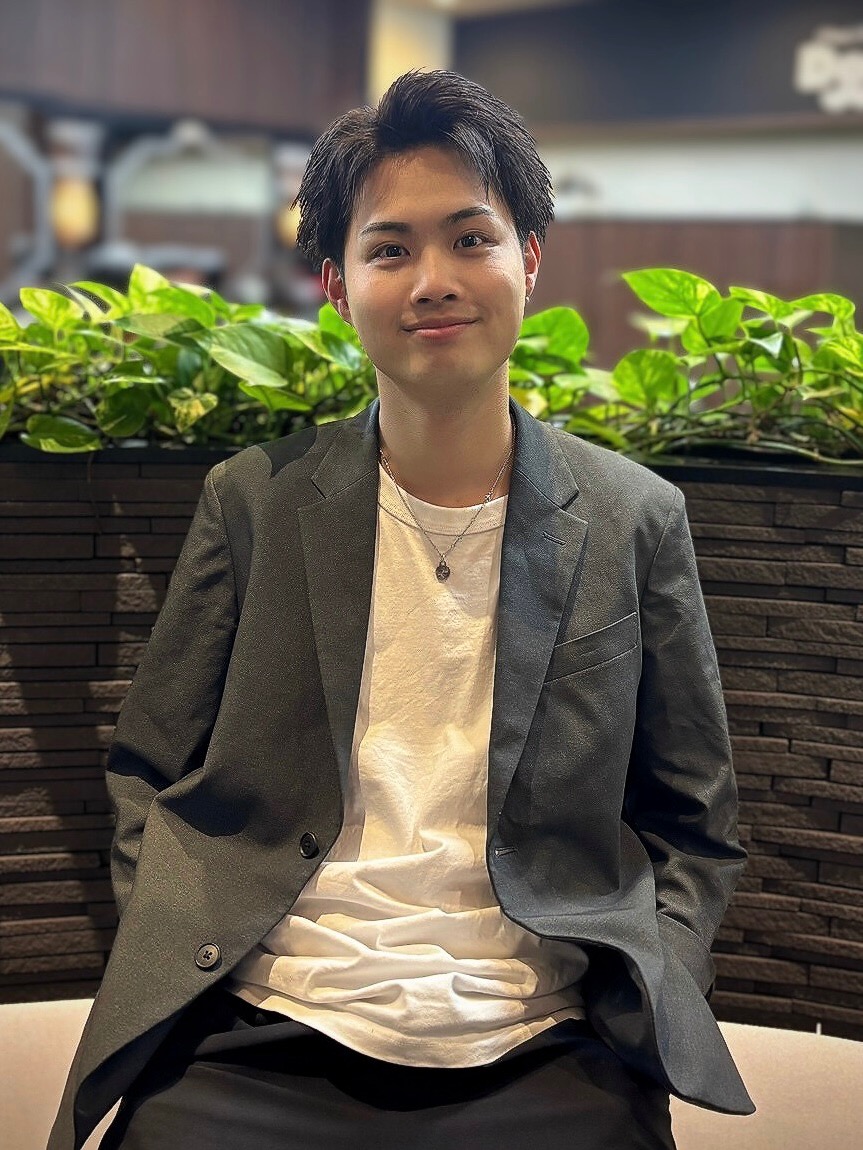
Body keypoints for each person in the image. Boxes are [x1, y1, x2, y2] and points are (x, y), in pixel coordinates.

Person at [49, 70, 753, 1150]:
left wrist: (652, 969)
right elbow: (149, 766)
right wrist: (187, 933)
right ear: (338, 287)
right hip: (263, 1018)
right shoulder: (253, 500)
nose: (433, 281)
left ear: (528, 259)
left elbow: (693, 819)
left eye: (470, 239)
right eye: (390, 250)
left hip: (546, 1029)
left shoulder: (631, 517)